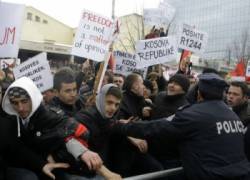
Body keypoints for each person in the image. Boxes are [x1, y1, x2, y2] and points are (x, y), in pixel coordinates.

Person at [116, 73, 250, 180]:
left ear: (199, 93)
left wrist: (125, 127)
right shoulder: (232, 116)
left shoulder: (192, 114)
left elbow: (157, 128)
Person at [1, 77, 92, 179]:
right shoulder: (9, 120)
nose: (20, 108)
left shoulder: (47, 115)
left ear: (33, 98)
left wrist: (82, 152)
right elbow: (17, 148)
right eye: (15, 103)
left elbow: (72, 131)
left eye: (24, 101)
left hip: (53, 167)